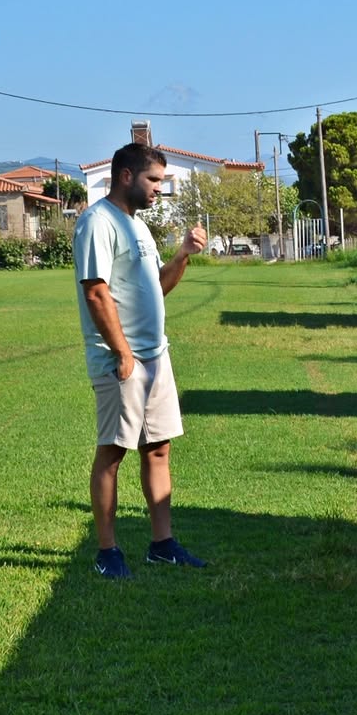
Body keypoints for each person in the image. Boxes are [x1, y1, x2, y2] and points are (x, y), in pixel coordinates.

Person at [75, 141, 209, 578]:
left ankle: (162, 544)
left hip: (155, 358)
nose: (159, 189)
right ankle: (108, 552)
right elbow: (95, 291)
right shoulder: (97, 222)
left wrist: (183, 255)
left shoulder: (138, 227)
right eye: (154, 180)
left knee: (158, 449)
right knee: (113, 453)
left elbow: (157, 286)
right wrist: (122, 353)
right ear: (126, 176)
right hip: (122, 361)